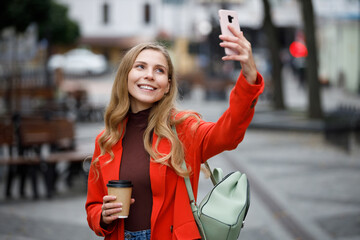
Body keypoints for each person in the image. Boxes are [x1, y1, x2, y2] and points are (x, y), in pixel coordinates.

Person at [85, 25, 264, 240]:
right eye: (140, 67)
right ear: (126, 76)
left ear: (168, 85)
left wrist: (249, 76)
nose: (149, 76)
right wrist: (102, 216)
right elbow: (93, 206)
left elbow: (229, 133)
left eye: (159, 70)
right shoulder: (106, 139)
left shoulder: (185, 129)